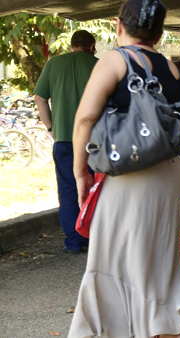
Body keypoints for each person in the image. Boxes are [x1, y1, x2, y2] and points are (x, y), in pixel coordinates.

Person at [69, 0, 180, 337]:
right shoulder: (173, 69)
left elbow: (84, 118)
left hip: (129, 175)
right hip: (167, 174)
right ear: (158, 32)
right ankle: (158, 328)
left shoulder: (115, 60)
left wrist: (80, 172)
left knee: (113, 262)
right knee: (155, 267)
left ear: (118, 25)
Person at [33, 30, 98, 254]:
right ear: (91, 45)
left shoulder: (54, 65)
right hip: (94, 141)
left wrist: (50, 126)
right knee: (95, 188)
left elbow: (40, 97)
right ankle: (96, 239)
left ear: (72, 45)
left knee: (68, 189)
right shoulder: (97, 65)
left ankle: (73, 241)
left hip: (63, 140)